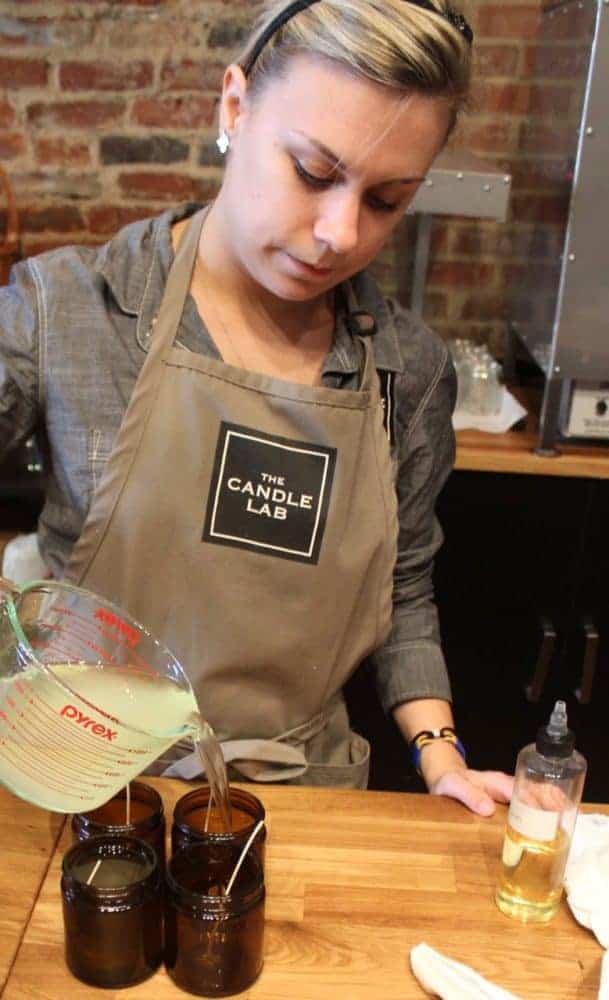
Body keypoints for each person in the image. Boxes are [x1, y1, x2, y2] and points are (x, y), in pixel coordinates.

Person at [0, 0, 513, 814]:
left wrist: (440, 756)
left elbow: (403, 589)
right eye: (313, 173)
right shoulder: (66, 310)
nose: (336, 234)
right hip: (81, 794)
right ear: (234, 106)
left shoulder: (405, 373)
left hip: (297, 804)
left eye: (386, 201)